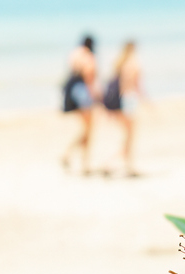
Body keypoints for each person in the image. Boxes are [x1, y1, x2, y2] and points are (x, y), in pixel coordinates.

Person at [99, 40, 146, 177]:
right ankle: (118, 164)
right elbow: (134, 86)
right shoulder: (133, 64)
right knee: (130, 136)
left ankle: (124, 165)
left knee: (128, 135)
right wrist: (146, 101)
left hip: (121, 101)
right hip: (128, 100)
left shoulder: (120, 63)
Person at [60, 34, 98, 172]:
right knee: (88, 129)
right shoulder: (89, 56)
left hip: (70, 89)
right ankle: (82, 162)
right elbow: (89, 75)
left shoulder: (74, 53)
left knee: (85, 128)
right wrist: (94, 94)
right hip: (82, 90)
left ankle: (71, 155)